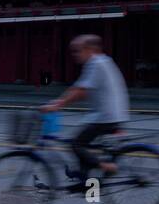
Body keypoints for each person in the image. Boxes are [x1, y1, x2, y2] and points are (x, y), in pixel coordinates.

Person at [41, 35, 129, 187]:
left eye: (77, 51)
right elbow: (79, 88)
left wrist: (57, 105)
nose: (75, 55)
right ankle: (87, 184)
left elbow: (81, 91)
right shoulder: (103, 61)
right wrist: (59, 101)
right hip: (111, 114)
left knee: (76, 144)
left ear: (89, 49)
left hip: (106, 117)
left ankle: (106, 166)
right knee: (83, 145)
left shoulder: (96, 63)